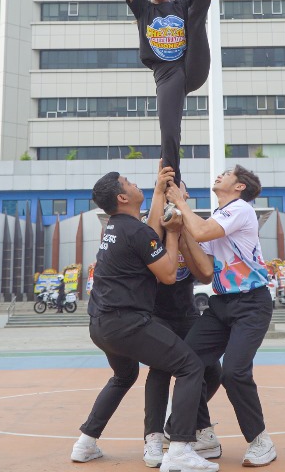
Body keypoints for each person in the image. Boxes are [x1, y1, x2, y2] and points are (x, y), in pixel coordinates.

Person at [70, 172, 216, 472]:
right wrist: (173, 233)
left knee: (124, 376)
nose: (136, 184)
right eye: (130, 183)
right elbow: (168, 274)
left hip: (100, 324)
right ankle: (179, 448)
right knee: (190, 367)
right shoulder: (138, 232)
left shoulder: (118, 227)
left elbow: (148, 231)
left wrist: (160, 189)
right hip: (127, 322)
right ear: (122, 197)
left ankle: (85, 442)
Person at [100, 0, 225, 195]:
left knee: (196, 10)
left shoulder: (180, 5)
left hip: (192, 63)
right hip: (167, 76)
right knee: (169, 131)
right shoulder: (144, 9)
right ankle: (172, 184)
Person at [167, 166, 277, 467]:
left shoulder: (240, 210)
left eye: (227, 173)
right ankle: (203, 433)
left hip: (252, 304)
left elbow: (201, 231)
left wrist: (180, 202)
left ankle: (260, 441)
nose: (219, 175)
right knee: (188, 362)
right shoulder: (218, 218)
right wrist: (179, 231)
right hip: (221, 305)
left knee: (234, 373)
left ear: (240, 186)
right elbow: (203, 269)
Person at [141, 169, 224, 468]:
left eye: (184, 193)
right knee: (161, 370)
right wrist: (167, 224)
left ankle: (177, 423)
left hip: (187, 312)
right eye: (178, 192)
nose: (185, 196)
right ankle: (152, 438)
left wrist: (184, 230)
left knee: (212, 371)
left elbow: (204, 272)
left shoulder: (192, 226)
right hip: (156, 314)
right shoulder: (150, 229)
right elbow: (159, 271)